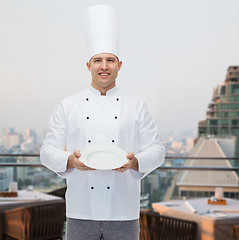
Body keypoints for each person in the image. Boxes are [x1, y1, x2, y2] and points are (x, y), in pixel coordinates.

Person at [40, 5, 165, 240]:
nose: (104, 66)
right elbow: (46, 151)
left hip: (124, 211)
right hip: (80, 211)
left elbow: (158, 151)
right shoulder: (68, 105)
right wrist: (70, 160)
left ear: (120, 65)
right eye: (98, 60)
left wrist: (135, 161)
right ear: (88, 65)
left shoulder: (136, 105)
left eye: (110, 60)